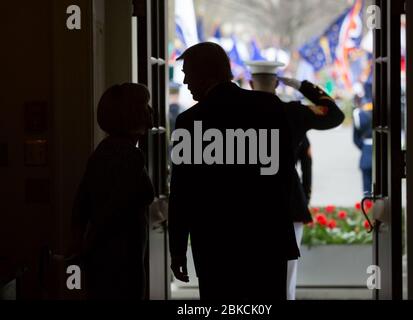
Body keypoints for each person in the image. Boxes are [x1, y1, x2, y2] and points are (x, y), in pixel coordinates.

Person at [168, 42, 300, 300]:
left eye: (187, 73)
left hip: (216, 245)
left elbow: (182, 194)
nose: (184, 81)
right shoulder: (269, 108)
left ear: (206, 74)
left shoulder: (189, 122)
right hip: (267, 240)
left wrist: (177, 250)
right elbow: (285, 172)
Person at [246, 61, 343, 300]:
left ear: (250, 83)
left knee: (249, 272)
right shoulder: (294, 112)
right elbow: (334, 115)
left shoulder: (238, 113)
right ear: (277, 83)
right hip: (287, 198)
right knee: (286, 275)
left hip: (247, 200)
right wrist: (302, 85)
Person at [70, 83, 155, 299]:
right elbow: (116, 207)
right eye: (145, 105)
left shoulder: (104, 150)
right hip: (121, 258)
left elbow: (81, 204)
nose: (150, 110)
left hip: (104, 256)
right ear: (131, 113)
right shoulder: (128, 155)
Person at [352, 93, 373, 196]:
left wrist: (364, 148)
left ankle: (368, 207)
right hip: (382, 153)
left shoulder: (359, 114)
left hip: (366, 150)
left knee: (367, 190)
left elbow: (355, 139)